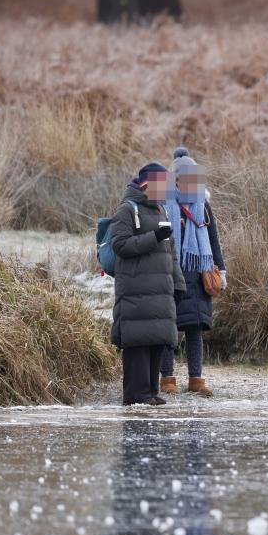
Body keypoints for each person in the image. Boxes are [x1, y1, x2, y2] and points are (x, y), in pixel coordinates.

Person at [110, 162, 185, 406]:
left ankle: (151, 391)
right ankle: (136, 395)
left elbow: (170, 251)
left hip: (159, 289)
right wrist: (154, 238)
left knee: (155, 339)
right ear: (149, 185)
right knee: (138, 341)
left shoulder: (160, 211)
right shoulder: (126, 210)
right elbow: (120, 245)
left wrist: (178, 282)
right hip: (135, 288)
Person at [159, 153, 226, 398]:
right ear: (175, 179)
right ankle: (167, 378)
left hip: (198, 276)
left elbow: (213, 240)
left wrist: (221, 269)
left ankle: (196, 379)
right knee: (168, 330)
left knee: (195, 329)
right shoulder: (164, 203)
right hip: (171, 273)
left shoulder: (203, 204)